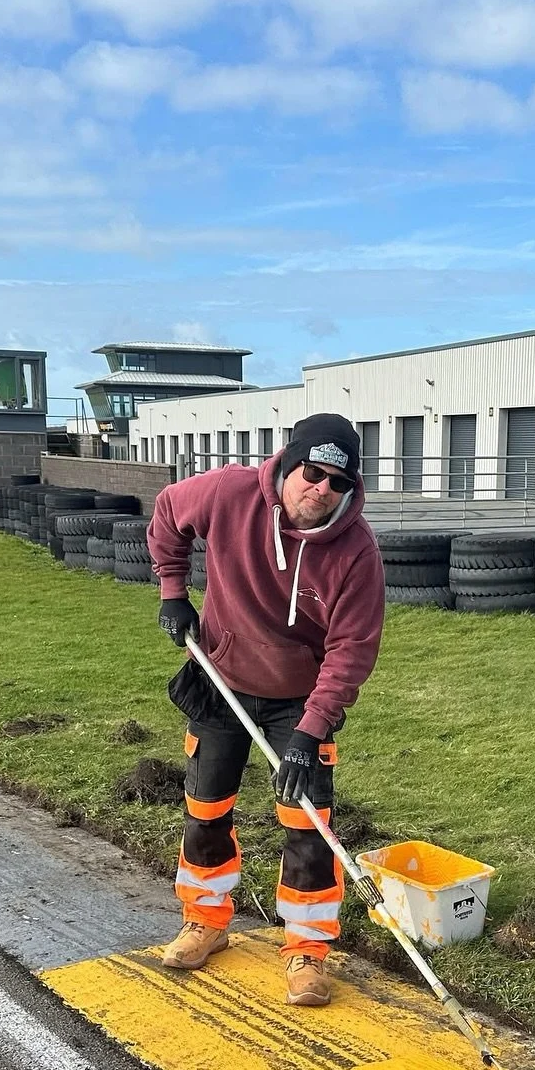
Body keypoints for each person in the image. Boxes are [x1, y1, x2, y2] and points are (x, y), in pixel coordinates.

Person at [147, 413, 385, 1007]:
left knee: (308, 825)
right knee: (205, 807)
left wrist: (311, 729)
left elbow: (351, 650)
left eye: (338, 481)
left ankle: (306, 950)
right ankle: (206, 920)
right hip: (222, 676)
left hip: (298, 700)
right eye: (311, 472)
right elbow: (168, 516)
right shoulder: (228, 493)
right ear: (287, 464)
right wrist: (173, 593)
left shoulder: (356, 552)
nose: (320, 489)